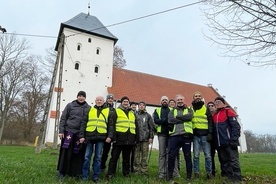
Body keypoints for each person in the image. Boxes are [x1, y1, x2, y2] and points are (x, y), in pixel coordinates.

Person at [57, 91, 90, 179]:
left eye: (83, 96)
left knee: (78, 154)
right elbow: (63, 118)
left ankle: (75, 173)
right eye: (79, 96)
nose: (81, 98)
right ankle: (62, 172)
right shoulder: (70, 105)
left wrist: (85, 136)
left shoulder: (88, 108)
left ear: (85, 98)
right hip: (68, 132)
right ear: (77, 96)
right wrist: (61, 131)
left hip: (80, 134)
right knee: (65, 153)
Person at [82, 96, 114, 183]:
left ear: (104, 102)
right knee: (86, 157)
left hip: (101, 137)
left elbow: (111, 125)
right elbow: (84, 123)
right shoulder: (90, 109)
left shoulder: (108, 111)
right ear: (95, 101)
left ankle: (95, 177)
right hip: (89, 137)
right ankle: (85, 176)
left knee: (98, 158)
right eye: (97, 100)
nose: (99, 101)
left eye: (101, 100)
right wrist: (82, 136)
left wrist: (109, 136)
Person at [106, 96, 138, 180]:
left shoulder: (132, 113)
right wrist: (113, 137)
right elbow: (112, 125)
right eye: (124, 101)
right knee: (114, 158)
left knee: (126, 158)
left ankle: (126, 173)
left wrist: (135, 138)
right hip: (119, 139)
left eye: (127, 102)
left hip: (130, 139)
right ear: (121, 103)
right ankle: (110, 174)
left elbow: (135, 126)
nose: (126, 103)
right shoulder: (116, 111)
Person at [213, 97, 242, 182]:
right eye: (215, 102)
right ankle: (228, 177)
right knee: (224, 161)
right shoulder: (215, 115)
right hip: (220, 143)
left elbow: (235, 127)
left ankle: (237, 178)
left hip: (229, 142)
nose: (217, 103)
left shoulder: (228, 112)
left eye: (218, 102)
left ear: (223, 103)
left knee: (233, 160)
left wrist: (234, 140)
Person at [168, 94, 193, 183]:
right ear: (176, 101)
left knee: (188, 157)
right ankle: (170, 176)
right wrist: (183, 119)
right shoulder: (172, 111)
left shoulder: (189, 110)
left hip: (186, 136)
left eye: (181, 99)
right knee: (171, 156)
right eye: (178, 100)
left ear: (184, 100)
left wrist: (178, 117)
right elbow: (170, 120)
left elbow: (189, 117)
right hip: (174, 136)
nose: (180, 101)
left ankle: (189, 177)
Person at [191, 92, 213, 179]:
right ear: (193, 98)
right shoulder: (190, 108)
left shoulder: (205, 108)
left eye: (199, 96)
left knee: (207, 155)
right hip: (195, 135)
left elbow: (210, 121)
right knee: (196, 156)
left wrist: (210, 133)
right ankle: (196, 173)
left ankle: (209, 173)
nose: (197, 97)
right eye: (196, 96)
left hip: (205, 135)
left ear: (201, 97)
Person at [133, 101, 154, 174]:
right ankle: (136, 170)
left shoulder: (148, 115)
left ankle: (144, 170)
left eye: (143, 105)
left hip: (145, 138)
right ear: (138, 106)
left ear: (145, 106)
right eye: (140, 105)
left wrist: (151, 137)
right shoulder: (135, 115)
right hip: (137, 138)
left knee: (144, 155)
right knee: (136, 155)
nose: (141, 106)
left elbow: (151, 127)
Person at [153, 96, 170, 180]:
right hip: (162, 135)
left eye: (166, 100)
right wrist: (166, 120)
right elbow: (156, 120)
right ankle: (161, 173)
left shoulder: (172, 110)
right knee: (162, 154)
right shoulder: (157, 110)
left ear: (168, 101)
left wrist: (162, 120)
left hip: (171, 135)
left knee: (169, 154)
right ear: (161, 102)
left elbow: (172, 120)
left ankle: (168, 173)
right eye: (163, 100)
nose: (164, 101)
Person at [100, 94, 115, 172]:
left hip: (109, 134)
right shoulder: (103, 107)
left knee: (106, 152)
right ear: (106, 99)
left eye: (111, 99)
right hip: (102, 132)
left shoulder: (114, 109)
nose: (110, 100)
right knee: (99, 152)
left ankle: (102, 166)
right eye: (109, 98)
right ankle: (96, 166)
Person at [207, 101, 217, 177]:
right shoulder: (206, 116)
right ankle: (212, 171)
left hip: (219, 138)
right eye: (209, 106)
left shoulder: (217, 115)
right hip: (210, 138)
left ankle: (225, 172)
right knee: (211, 155)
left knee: (222, 156)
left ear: (215, 106)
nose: (211, 107)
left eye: (212, 105)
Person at [129, 101, 137, 173]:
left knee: (134, 154)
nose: (133, 107)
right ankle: (128, 167)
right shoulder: (128, 113)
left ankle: (132, 168)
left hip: (135, 136)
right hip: (129, 136)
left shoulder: (137, 114)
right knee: (128, 153)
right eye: (132, 105)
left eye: (134, 106)